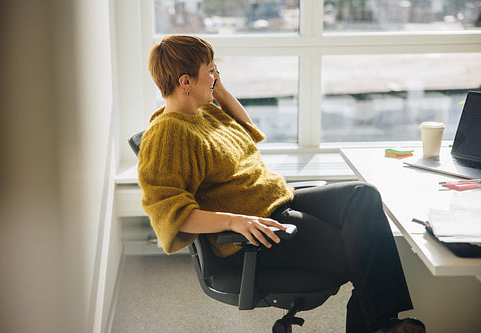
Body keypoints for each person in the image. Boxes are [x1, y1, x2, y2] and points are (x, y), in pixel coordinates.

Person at [138, 34, 426, 333]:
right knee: (364, 255)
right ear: (185, 81)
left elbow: (246, 133)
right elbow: (169, 212)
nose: (216, 76)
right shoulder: (168, 133)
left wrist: (218, 89)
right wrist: (236, 222)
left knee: (362, 194)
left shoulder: (202, 111)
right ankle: (383, 325)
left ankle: (383, 325)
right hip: (261, 231)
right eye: (210, 70)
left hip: (279, 200)